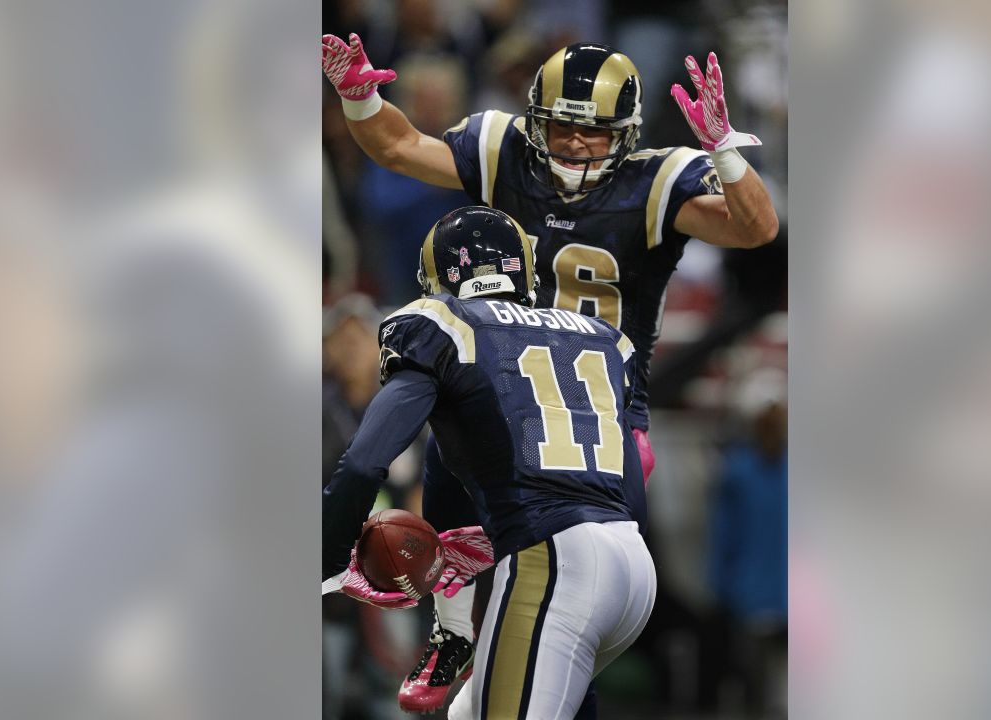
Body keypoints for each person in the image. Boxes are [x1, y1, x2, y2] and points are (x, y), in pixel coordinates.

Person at [322, 33, 777, 711]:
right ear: (534, 117)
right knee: (463, 447)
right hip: (504, 384)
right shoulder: (505, 150)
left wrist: (727, 157)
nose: (572, 144)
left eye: (592, 132)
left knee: (557, 622)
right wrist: (360, 97)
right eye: (560, 125)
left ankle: (470, 632)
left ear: (625, 132)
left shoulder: (654, 181)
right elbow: (397, 146)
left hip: (604, 408)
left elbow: (755, 229)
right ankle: (453, 629)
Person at [322, 206, 656, 719]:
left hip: (552, 566)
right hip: (632, 570)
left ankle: (453, 629)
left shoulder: (443, 324)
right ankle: (452, 629)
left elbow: (366, 463)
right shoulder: (605, 337)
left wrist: (328, 562)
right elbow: (632, 491)